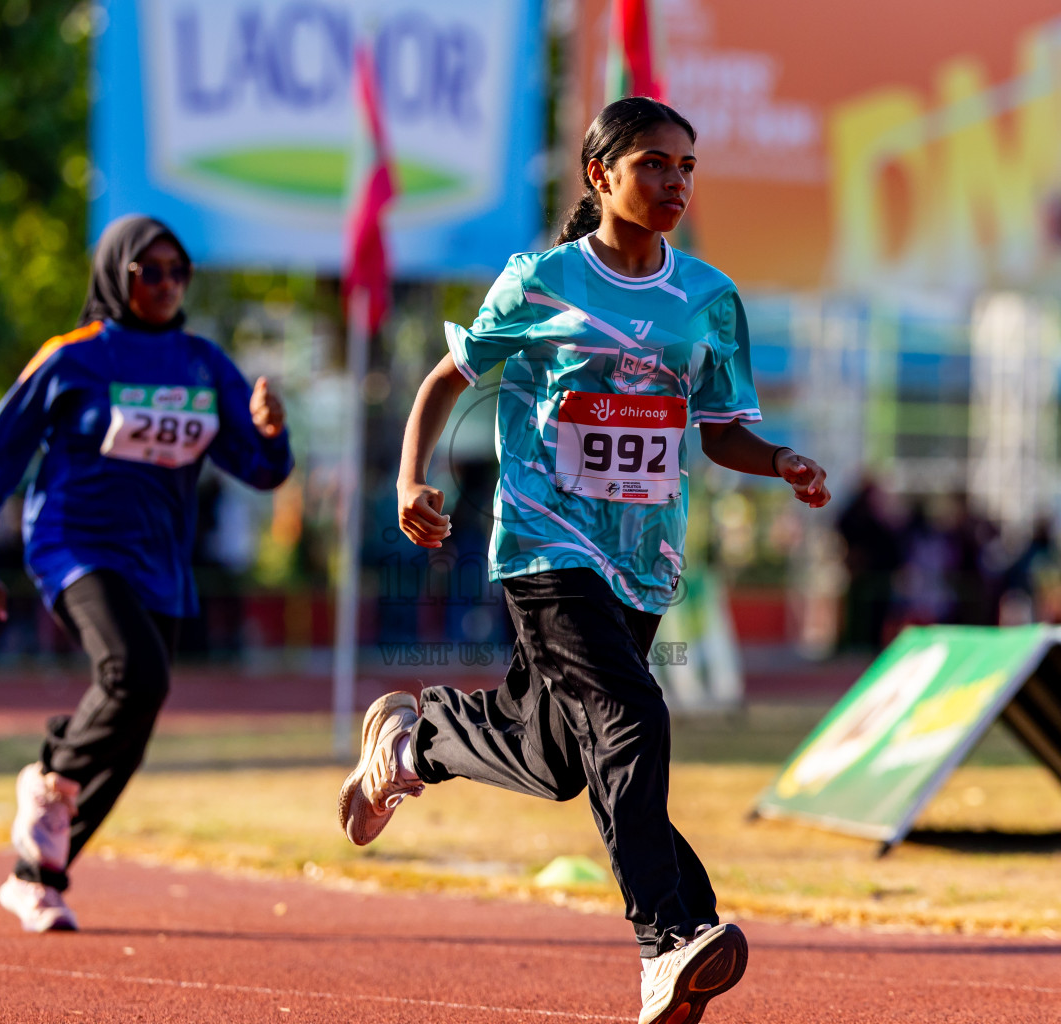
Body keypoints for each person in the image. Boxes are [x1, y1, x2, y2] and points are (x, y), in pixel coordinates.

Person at [337, 97, 829, 1024]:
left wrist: (782, 461)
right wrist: (410, 478)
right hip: (544, 543)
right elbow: (451, 377)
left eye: (687, 167)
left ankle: (410, 745)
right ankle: (670, 939)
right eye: (653, 164)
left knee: (560, 753)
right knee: (631, 714)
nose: (675, 182)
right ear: (600, 175)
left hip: (641, 557)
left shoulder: (709, 299)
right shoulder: (541, 281)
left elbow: (722, 432)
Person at [0, 215, 293, 932]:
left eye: (179, 272)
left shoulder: (203, 363)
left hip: (160, 563)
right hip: (74, 546)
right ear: (117, 275)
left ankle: (36, 876)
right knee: (137, 674)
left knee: (135, 725)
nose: (168, 285)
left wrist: (272, 430)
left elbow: (261, 471)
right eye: (152, 271)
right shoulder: (71, 359)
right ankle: (51, 778)